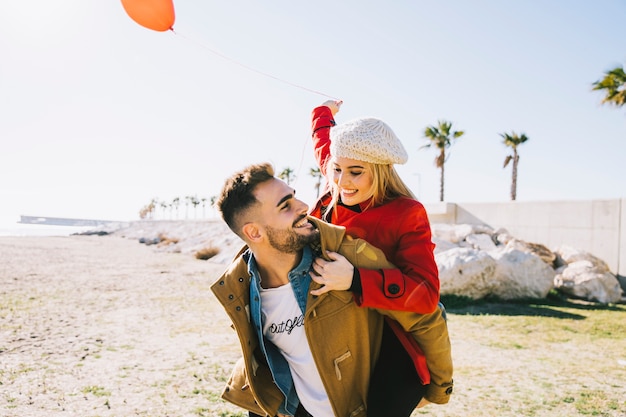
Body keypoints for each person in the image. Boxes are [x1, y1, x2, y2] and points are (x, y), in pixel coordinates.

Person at [211, 162, 452, 417]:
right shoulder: (240, 287)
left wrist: (439, 389)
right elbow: (259, 355)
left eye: (293, 196)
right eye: (285, 206)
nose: (303, 206)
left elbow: (426, 315)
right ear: (253, 232)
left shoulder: (345, 255)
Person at [309, 100, 449, 416]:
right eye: (337, 169)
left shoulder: (408, 214)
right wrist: (323, 110)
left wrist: (355, 279)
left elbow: (426, 293)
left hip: (388, 338)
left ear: (380, 169)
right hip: (326, 326)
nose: (343, 182)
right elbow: (323, 139)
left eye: (356, 172)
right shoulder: (338, 181)